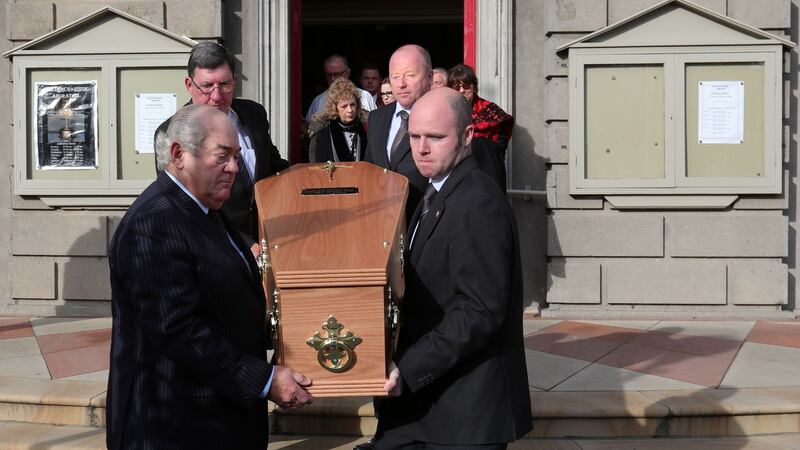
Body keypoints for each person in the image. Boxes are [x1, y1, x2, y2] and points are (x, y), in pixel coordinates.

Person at [108, 104, 313, 450]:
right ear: (179, 155)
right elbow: (179, 331)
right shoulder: (154, 224)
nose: (234, 168)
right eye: (222, 156)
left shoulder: (205, 211)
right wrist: (264, 380)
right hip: (177, 428)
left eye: (236, 156)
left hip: (219, 420)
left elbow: (230, 305)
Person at [374, 87, 532, 450]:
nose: (422, 148)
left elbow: (479, 310)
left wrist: (409, 368)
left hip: (464, 415)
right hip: (430, 409)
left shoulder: (478, 201)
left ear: (467, 136)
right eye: (414, 136)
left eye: (435, 137)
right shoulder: (433, 192)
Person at [154, 41, 289, 242]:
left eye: (224, 85)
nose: (217, 97)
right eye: (207, 86)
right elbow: (184, 204)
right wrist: (242, 244)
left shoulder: (254, 114)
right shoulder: (171, 133)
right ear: (189, 85)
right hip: (216, 248)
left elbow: (275, 167)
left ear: (235, 81)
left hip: (271, 240)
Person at [364, 44, 431, 223]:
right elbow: (370, 168)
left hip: (425, 220)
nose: (401, 84)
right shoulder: (376, 118)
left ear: (429, 77)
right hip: (380, 222)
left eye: (410, 75)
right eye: (395, 77)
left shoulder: (441, 117)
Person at [448, 63, 514, 153]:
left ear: (474, 88)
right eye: (456, 87)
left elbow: (500, 145)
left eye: (466, 86)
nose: (462, 91)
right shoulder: (446, 112)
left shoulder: (490, 110)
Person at [308, 78, 368, 162]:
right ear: (335, 108)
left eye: (353, 104)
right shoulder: (322, 131)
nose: (350, 110)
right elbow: (317, 164)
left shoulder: (366, 125)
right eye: (344, 106)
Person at [305, 55, 377, 121]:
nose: (333, 79)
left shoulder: (365, 96)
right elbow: (311, 130)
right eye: (329, 75)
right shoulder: (318, 101)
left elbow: (375, 124)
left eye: (336, 74)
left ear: (347, 72)